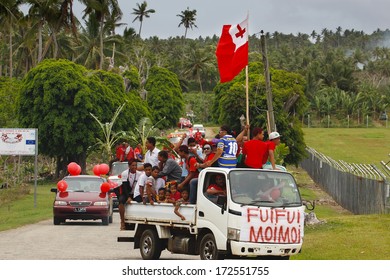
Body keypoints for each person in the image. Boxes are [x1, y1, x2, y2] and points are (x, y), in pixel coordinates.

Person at [116, 159, 141, 230]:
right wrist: (128, 197)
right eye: (132, 165)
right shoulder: (125, 173)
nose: (134, 167)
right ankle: (122, 221)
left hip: (135, 192)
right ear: (129, 166)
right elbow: (124, 186)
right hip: (126, 192)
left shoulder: (139, 174)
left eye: (135, 165)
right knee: (121, 201)